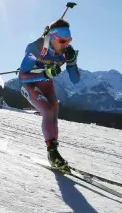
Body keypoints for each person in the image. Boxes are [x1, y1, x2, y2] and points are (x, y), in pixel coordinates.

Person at [18, 19, 80, 172]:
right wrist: (45, 73)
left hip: (46, 84)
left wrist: (72, 62)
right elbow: (22, 76)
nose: (66, 45)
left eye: (69, 41)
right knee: (47, 111)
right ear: (52, 37)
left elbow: (75, 79)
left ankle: (54, 152)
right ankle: (52, 153)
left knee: (54, 113)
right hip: (30, 83)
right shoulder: (36, 48)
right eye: (63, 41)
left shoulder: (66, 52)